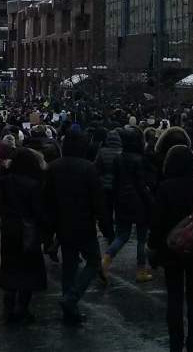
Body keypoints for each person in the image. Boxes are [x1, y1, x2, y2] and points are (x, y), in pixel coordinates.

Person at [148, 144, 193, 352]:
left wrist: (153, 247)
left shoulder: (165, 188)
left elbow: (157, 223)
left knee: (174, 298)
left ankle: (175, 345)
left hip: (172, 251)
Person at [43, 129, 113, 324]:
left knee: (69, 266)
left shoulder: (53, 167)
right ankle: (71, 299)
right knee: (93, 262)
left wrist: (48, 232)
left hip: (62, 224)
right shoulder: (88, 168)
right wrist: (107, 227)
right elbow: (98, 201)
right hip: (84, 223)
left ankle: (69, 307)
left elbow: (47, 200)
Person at [0, 146, 48, 322]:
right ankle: (22, 308)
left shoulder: (4, 181)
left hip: (10, 229)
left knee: (10, 267)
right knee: (28, 271)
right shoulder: (33, 185)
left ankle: (8, 307)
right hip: (28, 231)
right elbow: (38, 211)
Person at [103, 126, 154, 283]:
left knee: (122, 236)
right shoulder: (139, 159)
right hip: (138, 203)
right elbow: (140, 185)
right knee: (141, 238)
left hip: (121, 201)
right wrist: (150, 200)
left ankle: (105, 259)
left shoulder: (119, 158)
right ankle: (141, 271)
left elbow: (115, 182)